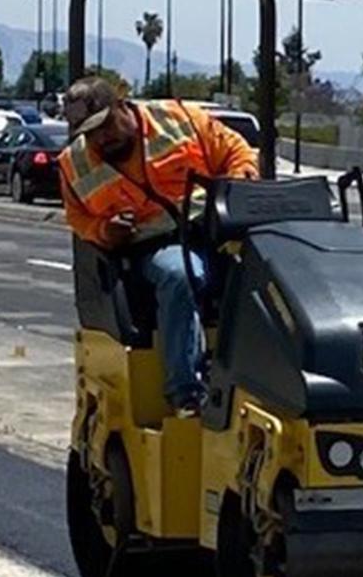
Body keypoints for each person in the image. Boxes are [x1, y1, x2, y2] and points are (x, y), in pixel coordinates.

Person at [59, 76, 258, 416]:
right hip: (151, 247)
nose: (101, 138)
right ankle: (186, 392)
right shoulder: (73, 163)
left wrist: (236, 190)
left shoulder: (179, 119)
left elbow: (236, 150)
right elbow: (78, 219)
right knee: (180, 276)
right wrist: (106, 230)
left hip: (216, 229)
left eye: (105, 126)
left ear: (122, 105)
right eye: (90, 133)